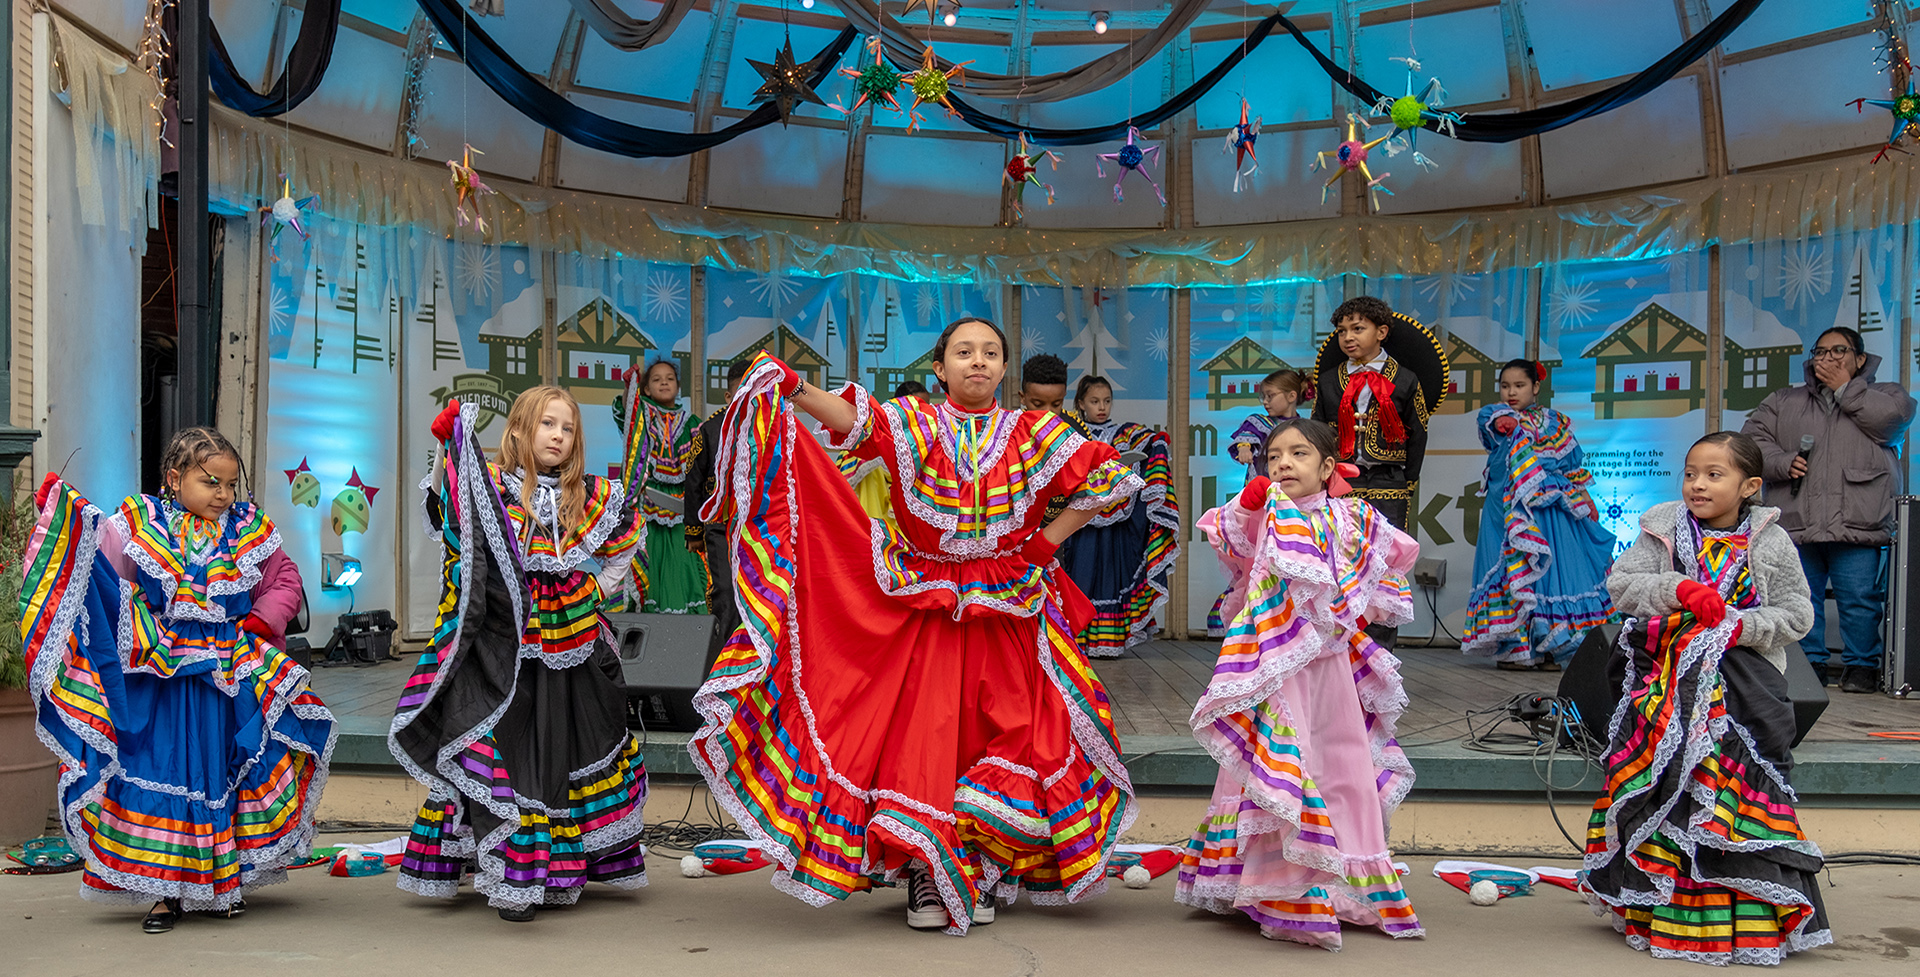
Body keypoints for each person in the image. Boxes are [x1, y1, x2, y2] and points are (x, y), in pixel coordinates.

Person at [688, 318, 1141, 935]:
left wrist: (1043, 545)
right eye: (963, 352)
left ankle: (979, 863)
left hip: (1012, 609)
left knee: (1013, 733)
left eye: (989, 353)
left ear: (1004, 370)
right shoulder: (916, 422)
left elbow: (1108, 479)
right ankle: (930, 873)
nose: (977, 362)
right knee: (927, 745)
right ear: (941, 368)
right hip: (923, 604)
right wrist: (792, 385)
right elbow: (854, 421)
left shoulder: (1034, 429)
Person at [20, 428, 335, 933]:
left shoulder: (249, 528)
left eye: (231, 485)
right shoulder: (139, 524)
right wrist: (66, 521)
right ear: (174, 478)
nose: (224, 495)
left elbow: (285, 578)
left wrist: (261, 619)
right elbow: (100, 570)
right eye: (211, 482)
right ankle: (165, 892)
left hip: (225, 677)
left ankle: (221, 886)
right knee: (166, 772)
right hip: (161, 679)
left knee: (223, 771)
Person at [393, 387, 649, 922]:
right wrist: (445, 451)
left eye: (568, 428)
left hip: (575, 637)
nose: (558, 435)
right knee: (512, 746)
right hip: (510, 640)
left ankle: (557, 868)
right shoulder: (493, 491)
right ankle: (513, 869)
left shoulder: (595, 495)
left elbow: (624, 543)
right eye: (547, 424)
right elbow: (452, 525)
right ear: (517, 431)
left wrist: (600, 587)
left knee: (568, 743)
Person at [1177, 418, 1422, 951]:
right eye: (1274, 457)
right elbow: (1235, 544)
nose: (1284, 463)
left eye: (1299, 454)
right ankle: (1274, 886)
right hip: (1272, 665)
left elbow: (1399, 553)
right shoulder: (1265, 513)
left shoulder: (1351, 515)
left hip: (1329, 663)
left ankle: (1343, 886)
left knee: (1341, 763)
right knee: (1279, 761)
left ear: (1328, 467)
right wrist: (1249, 501)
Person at [1584, 431, 1829, 966]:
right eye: (1691, 472)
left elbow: (1797, 615)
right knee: (1668, 790)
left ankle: (1745, 915)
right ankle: (1660, 907)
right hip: (1665, 685)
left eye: (1714, 475)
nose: (1697, 484)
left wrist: (1733, 626)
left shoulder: (1770, 540)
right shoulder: (1662, 526)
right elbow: (1623, 585)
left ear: (1751, 486)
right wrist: (1679, 592)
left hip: (1741, 689)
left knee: (1730, 796)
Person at [1742, 326, 1916, 693]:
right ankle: (1808, 666)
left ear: (1861, 359)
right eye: (1821, 352)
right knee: (1799, 599)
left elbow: (1890, 423)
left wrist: (1844, 388)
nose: (1828, 358)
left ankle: (1862, 667)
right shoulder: (1784, 400)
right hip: (1795, 519)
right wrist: (1781, 462)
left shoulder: (1888, 396)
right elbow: (1752, 441)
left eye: (1839, 351)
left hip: (1859, 520)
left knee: (1861, 601)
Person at [1463, 360, 1616, 671]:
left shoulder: (1556, 423)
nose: (1511, 392)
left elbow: (1572, 468)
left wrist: (1585, 500)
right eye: (1505, 386)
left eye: (1519, 385)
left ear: (1535, 387)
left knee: (1549, 574)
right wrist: (1505, 423)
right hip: (1510, 506)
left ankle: (1548, 647)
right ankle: (1517, 650)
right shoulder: (1496, 415)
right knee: (1515, 569)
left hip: (1551, 507)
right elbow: (1492, 425)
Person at [1059, 375, 1181, 657]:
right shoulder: (1070, 433)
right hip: (1079, 520)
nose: (1102, 407)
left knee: (1111, 574)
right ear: (1080, 403)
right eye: (1094, 401)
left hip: (1114, 521)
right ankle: (1074, 639)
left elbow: (1150, 442)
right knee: (1079, 573)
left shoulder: (1124, 433)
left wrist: (1159, 443)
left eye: (1107, 401)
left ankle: (1106, 642)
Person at [1311, 296, 1432, 531]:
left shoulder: (1405, 379)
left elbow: (1418, 431)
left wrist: (1409, 480)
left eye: (1358, 329)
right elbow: (1317, 430)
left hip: (1389, 477)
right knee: (1342, 543)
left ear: (1381, 332)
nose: (1348, 337)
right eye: (1342, 331)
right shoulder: (1328, 380)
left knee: (1389, 547)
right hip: (1341, 476)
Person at [686, 360, 753, 674]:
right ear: (728, 396)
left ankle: (759, 666)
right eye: (741, 391)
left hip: (760, 528)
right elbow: (693, 482)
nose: (747, 399)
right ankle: (722, 667)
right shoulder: (708, 430)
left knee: (760, 593)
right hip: (720, 528)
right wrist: (693, 531)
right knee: (725, 590)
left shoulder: (773, 430)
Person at [634, 359, 708, 614]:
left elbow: (701, 464)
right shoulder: (642, 415)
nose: (664, 382)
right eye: (656, 379)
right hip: (648, 501)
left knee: (681, 559)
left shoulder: (692, 422)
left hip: (681, 503)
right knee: (650, 557)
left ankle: (686, 618)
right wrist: (629, 389)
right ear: (646, 389)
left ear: (678, 386)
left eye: (669, 378)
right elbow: (624, 413)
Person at [836, 380, 926, 530]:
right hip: (871, 516)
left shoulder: (923, 441)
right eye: (919, 407)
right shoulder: (869, 437)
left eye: (926, 406)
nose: (923, 413)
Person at [1227, 368, 1308, 481]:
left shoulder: (1305, 428)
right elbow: (1247, 437)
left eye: (1270, 396)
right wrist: (1244, 449)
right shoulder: (1259, 422)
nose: (1265, 401)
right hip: (1262, 488)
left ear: (1291, 396)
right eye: (1263, 397)